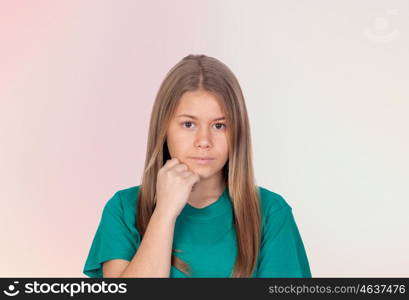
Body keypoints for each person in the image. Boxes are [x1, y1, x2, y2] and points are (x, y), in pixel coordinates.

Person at [83, 54, 312, 278]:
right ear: (164, 129)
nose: (204, 141)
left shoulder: (271, 213)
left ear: (237, 133)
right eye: (189, 124)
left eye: (219, 126)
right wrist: (164, 212)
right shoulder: (124, 210)